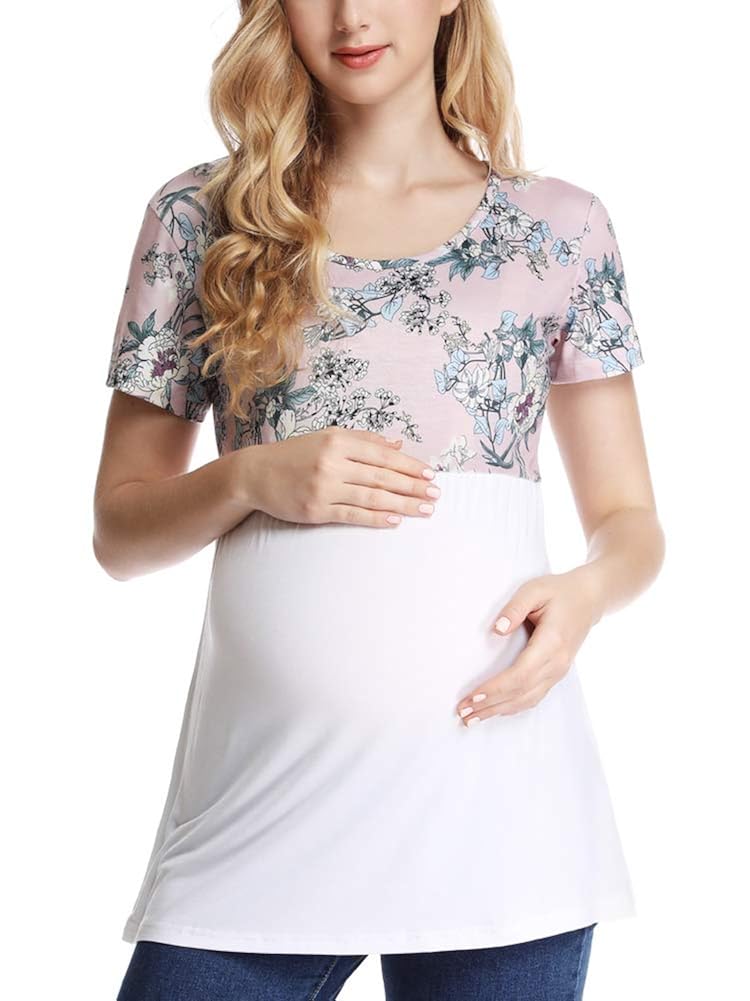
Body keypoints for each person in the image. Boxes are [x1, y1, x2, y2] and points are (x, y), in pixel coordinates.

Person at [94, 1, 664, 998]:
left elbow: (630, 521)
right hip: (263, 817)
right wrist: (248, 476)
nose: (351, 16)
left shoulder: (560, 229)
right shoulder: (202, 218)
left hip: (501, 820)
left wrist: (584, 595)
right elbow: (119, 531)